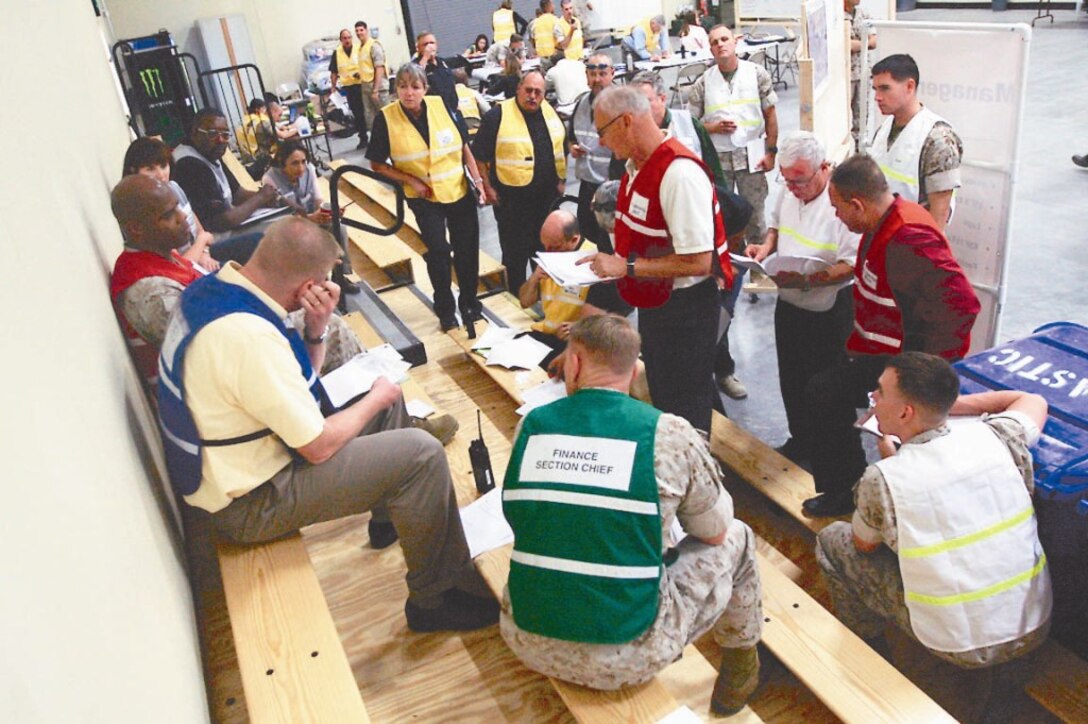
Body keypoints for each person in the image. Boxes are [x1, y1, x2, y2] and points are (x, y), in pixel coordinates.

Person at [155, 216, 489, 632]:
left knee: (383, 402)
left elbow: (297, 387)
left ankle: (389, 517)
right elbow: (316, 446)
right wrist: (377, 397)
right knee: (420, 454)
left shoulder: (216, 288)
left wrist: (316, 330)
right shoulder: (246, 337)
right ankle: (437, 597)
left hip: (246, 462)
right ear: (305, 288)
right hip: (248, 503)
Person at [501, 315, 763, 715]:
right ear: (635, 368)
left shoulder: (533, 426)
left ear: (573, 364)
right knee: (739, 537)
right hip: (629, 656)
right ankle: (742, 664)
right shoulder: (669, 434)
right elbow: (714, 532)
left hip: (526, 639)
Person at [815, 353, 1051, 673]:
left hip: (956, 644)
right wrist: (938, 408)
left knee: (832, 540)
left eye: (881, 391)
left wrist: (887, 462)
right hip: (1035, 624)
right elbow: (1030, 399)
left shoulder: (883, 479)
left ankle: (869, 652)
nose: (873, 397)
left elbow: (863, 545)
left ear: (905, 411)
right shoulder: (998, 436)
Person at [801, 154, 980, 517]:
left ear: (857, 204)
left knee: (824, 392)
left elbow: (962, 306)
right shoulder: (881, 223)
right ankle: (848, 486)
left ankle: (854, 493)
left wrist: (922, 376)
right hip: (880, 352)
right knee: (823, 389)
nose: (836, 216)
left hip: (907, 363)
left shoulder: (909, 238)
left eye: (838, 209)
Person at [108, 175, 361, 391]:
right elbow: (214, 348)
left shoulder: (163, 254)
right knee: (331, 331)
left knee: (326, 321)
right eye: (168, 215)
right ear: (136, 229)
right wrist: (283, 304)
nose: (182, 217)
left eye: (178, 207)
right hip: (220, 390)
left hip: (241, 341)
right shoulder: (146, 289)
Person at [581, 85, 732, 432]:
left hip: (686, 311)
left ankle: (695, 476)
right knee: (665, 397)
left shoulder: (679, 174)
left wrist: (627, 267)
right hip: (657, 306)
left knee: (686, 408)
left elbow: (698, 262)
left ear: (627, 122)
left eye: (603, 131)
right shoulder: (636, 168)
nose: (601, 142)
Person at [628, 70, 754, 401]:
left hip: (696, 248)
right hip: (662, 274)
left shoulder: (686, 136)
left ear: (661, 99)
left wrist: (721, 240)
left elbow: (719, 184)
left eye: (644, 102)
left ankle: (724, 372)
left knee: (711, 335)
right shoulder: (633, 159)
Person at [744, 132, 860, 464]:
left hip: (829, 309)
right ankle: (801, 439)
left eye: (801, 181)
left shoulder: (842, 203)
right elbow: (776, 227)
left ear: (823, 168)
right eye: (788, 181)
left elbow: (851, 266)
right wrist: (765, 249)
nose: (793, 189)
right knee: (791, 377)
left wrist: (809, 280)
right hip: (789, 302)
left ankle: (831, 453)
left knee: (825, 385)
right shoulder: (789, 190)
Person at [368, 63, 486, 331]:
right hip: (423, 196)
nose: (408, 93)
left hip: (457, 189)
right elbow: (377, 164)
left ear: (424, 88)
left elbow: (463, 146)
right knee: (439, 251)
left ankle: (470, 304)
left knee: (467, 250)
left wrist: (477, 180)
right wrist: (412, 181)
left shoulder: (442, 106)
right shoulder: (385, 118)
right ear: (395, 89)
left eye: (415, 87)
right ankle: (445, 308)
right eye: (402, 87)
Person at [473, 70, 567, 293]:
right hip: (512, 202)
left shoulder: (550, 113)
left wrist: (561, 179)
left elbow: (559, 147)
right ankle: (516, 296)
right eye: (528, 90)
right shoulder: (497, 115)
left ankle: (546, 298)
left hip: (546, 199)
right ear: (518, 89)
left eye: (538, 92)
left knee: (545, 251)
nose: (533, 96)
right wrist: (486, 186)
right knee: (515, 254)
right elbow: (478, 155)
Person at [689, 25, 779, 251]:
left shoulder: (757, 74)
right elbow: (690, 124)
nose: (720, 44)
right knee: (722, 216)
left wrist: (771, 152)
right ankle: (729, 268)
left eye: (724, 39)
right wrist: (713, 127)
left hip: (753, 155)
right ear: (710, 49)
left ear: (735, 41)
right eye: (714, 42)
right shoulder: (703, 82)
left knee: (755, 215)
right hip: (718, 159)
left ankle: (758, 267)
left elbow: (770, 116)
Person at [172, 108, 279, 262]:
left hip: (224, 230)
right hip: (208, 243)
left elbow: (237, 194)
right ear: (195, 133)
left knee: (283, 218)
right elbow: (224, 221)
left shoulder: (209, 152)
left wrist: (268, 196)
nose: (221, 140)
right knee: (278, 230)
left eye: (225, 135)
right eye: (213, 134)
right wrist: (261, 198)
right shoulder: (190, 164)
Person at [869, 54, 962, 232]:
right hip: (884, 234)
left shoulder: (938, 140)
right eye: (875, 89)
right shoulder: (885, 128)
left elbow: (940, 212)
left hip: (914, 241)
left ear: (909, 86)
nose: (877, 97)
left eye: (885, 88)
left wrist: (926, 254)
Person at [122, 137, 217, 273]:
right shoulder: (144, 211)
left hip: (200, 257)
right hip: (185, 270)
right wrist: (201, 243)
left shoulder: (174, 187)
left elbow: (201, 231)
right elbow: (177, 265)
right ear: (133, 172)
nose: (161, 175)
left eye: (163, 166)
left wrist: (205, 253)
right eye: (150, 169)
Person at [518, 209, 590, 365]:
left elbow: (610, 316)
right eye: (545, 246)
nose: (549, 252)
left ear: (574, 240)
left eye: (555, 247)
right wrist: (534, 279)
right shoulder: (548, 257)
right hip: (546, 334)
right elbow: (524, 301)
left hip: (577, 340)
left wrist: (580, 328)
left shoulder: (593, 260)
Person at [569, 53, 617, 255]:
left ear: (612, 74)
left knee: (611, 242)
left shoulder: (622, 103)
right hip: (587, 184)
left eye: (603, 73)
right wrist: (572, 147)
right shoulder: (581, 104)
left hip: (613, 188)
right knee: (589, 232)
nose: (597, 79)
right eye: (592, 74)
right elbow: (572, 135)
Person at [262, 141, 331, 224]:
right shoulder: (270, 179)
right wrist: (309, 218)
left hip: (312, 216)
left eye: (303, 162)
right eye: (295, 163)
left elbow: (318, 198)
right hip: (289, 225)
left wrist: (324, 212)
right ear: (282, 162)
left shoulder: (309, 169)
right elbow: (280, 216)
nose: (301, 169)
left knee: (339, 227)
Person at [328, 28, 368, 149]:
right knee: (357, 114)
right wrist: (333, 87)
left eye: (349, 37)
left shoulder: (359, 48)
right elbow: (334, 72)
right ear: (341, 40)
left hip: (362, 85)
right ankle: (363, 138)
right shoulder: (337, 53)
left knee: (368, 112)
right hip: (349, 88)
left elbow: (367, 65)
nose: (347, 40)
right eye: (344, 38)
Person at [844, 0, 877, 148]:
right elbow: (844, 44)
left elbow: (874, 41)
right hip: (845, 75)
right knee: (843, 116)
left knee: (862, 114)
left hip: (863, 73)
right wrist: (864, 43)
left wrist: (855, 44)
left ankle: (859, 148)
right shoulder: (838, 18)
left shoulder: (864, 14)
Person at [354, 21, 390, 135]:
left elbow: (379, 68)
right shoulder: (361, 48)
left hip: (377, 87)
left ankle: (393, 139)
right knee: (371, 118)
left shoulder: (374, 45)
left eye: (361, 30)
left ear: (366, 30)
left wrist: (375, 90)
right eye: (357, 31)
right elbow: (367, 67)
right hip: (365, 86)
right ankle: (379, 142)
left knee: (386, 115)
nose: (359, 33)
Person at [412, 32, 460, 116]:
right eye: (425, 44)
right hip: (433, 112)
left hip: (452, 109)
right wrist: (425, 57)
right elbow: (415, 78)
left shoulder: (442, 62)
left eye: (432, 43)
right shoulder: (415, 65)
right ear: (418, 48)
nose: (429, 46)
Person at [451, 68, 492, 134]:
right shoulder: (473, 93)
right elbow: (488, 110)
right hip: (475, 127)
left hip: (458, 130)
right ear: (466, 80)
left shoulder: (448, 96)